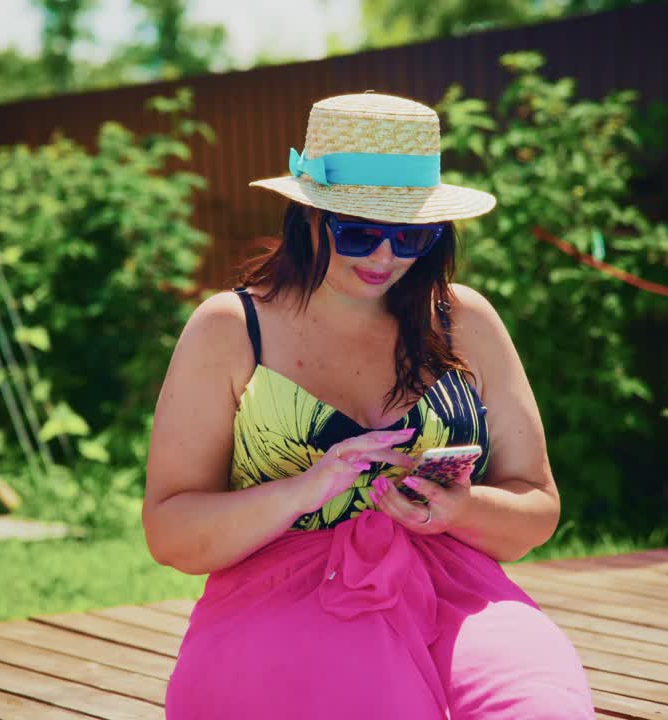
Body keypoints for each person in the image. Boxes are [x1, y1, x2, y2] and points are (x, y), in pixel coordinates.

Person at [143, 92, 594, 719]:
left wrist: (460, 507)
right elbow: (170, 533)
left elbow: (537, 509)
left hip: (455, 591)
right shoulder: (229, 327)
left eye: (411, 236)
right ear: (308, 218)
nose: (386, 258)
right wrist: (305, 490)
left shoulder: (464, 319)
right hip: (283, 596)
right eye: (358, 232)